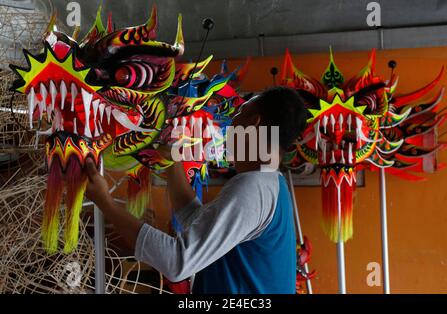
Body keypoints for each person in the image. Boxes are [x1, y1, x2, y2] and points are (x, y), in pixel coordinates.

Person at [84, 86, 308, 294]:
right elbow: (197, 220)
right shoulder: (270, 184)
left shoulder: (254, 187)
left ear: (254, 122)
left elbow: (177, 262)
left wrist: (105, 202)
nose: (231, 123)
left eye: (239, 113)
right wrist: (173, 161)